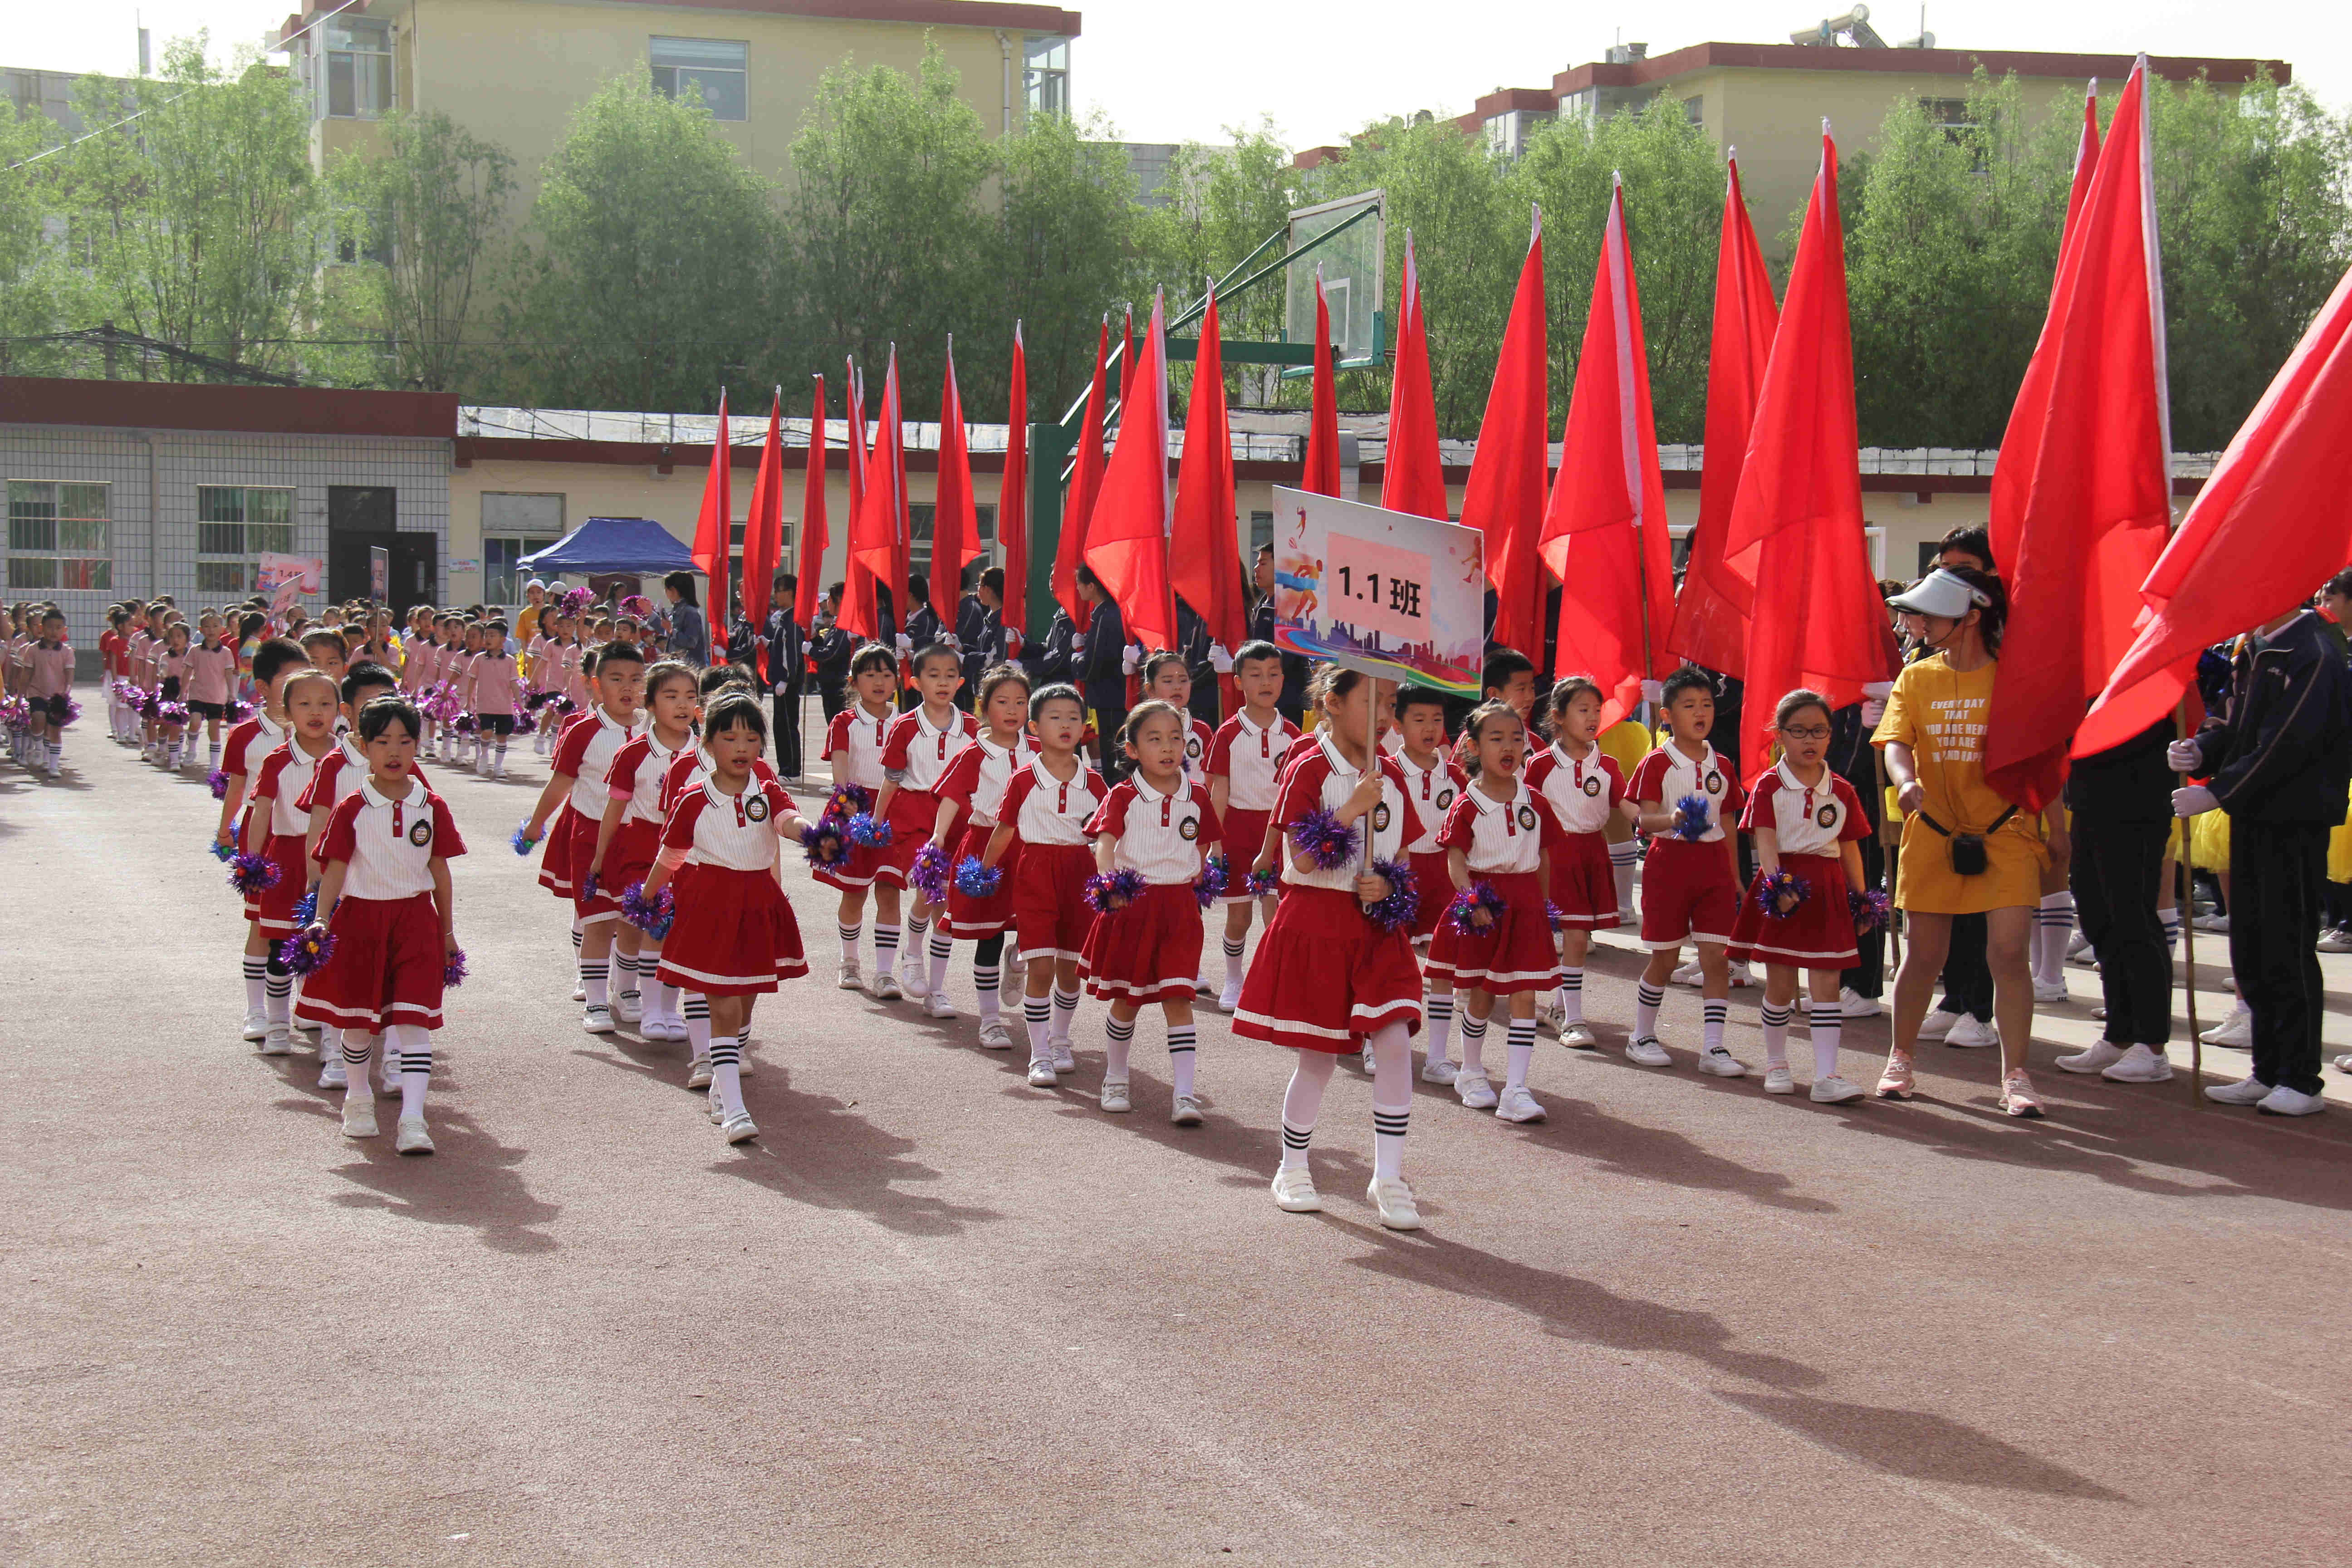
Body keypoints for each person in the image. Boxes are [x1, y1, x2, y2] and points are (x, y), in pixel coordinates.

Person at [1233, 666, 1426, 1230]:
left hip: (1377, 931)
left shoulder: (1392, 771)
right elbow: (1298, 862)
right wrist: (1349, 808)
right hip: (1317, 923)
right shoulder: (1310, 767)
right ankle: (1292, 1167)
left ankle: (1388, 1178)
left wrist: (1389, 883)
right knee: (1318, 1058)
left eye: (1392, 704)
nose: (1386, 717)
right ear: (1333, 704)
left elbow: (1406, 859)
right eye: (1374, 702)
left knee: (1393, 1041)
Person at [1872, 567, 2063, 1119]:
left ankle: (2017, 1076)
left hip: (2007, 832)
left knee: (2007, 953)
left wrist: (2059, 829)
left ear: (1972, 617)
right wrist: (1905, 781)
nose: (1919, 622)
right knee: (1925, 955)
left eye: (1930, 614)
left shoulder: (2014, 679)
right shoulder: (1916, 677)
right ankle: (1900, 1059)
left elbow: (2043, 758)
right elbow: (1895, 743)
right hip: (1933, 831)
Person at [2174, 598, 2352, 1116]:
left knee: (2288, 943)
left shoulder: (2313, 652)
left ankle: (2300, 1079)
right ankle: (2268, 1069)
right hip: (2254, 815)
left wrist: (2218, 790)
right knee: (2252, 942)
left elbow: (2288, 744)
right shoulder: (2257, 647)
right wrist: (2202, 750)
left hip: (2295, 820)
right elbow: (2236, 723)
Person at [294, 693, 465, 1155]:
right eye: (383, 741)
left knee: (413, 1023)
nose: (394, 752)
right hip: (360, 920)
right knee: (358, 1022)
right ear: (363, 747)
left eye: (405, 741)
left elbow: (441, 872)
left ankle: (413, 1120)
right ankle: (359, 1098)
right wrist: (321, 920)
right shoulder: (352, 807)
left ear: (417, 747)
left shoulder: (432, 805)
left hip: (414, 920)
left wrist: (446, 931)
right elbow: (334, 868)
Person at [642, 694, 815, 1145]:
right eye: (730, 736)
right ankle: (735, 1109)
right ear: (708, 744)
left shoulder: (766, 786)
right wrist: (646, 894)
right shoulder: (692, 798)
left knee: (746, 999)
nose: (741, 746)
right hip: (710, 905)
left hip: (758, 902)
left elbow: (787, 818)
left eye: (752, 737)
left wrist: (812, 834)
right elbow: (672, 854)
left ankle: (723, 1084)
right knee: (722, 1001)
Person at [1079, 701, 1223, 1124]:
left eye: (1175, 738)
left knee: (1179, 998)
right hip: (1134, 906)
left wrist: (1198, 870)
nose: (1167, 748)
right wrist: (1110, 885)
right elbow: (1104, 844)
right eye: (1154, 739)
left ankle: (1184, 1095)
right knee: (1128, 1000)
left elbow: (1205, 843)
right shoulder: (1123, 795)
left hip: (1179, 910)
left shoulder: (1196, 794)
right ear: (1133, 749)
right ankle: (1116, 1076)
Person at [1725, 689, 1872, 1102]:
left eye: (1819, 731)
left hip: (1827, 890)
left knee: (1827, 983)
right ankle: (1777, 1064)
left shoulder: (1841, 789)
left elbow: (1849, 847)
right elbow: (1765, 843)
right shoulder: (1770, 785)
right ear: (1780, 736)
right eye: (1799, 731)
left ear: (1831, 736)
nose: (1810, 740)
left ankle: (1827, 1076)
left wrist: (1861, 899)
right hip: (1787, 887)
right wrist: (1779, 888)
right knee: (1781, 983)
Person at [1425, 700, 1562, 1122]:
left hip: (1525, 907)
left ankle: (1517, 1090)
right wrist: (1472, 901)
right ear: (1474, 746)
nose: (1509, 746)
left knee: (1525, 994)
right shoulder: (1467, 804)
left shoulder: (1536, 802)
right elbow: (1455, 859)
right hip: (1483, 904)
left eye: (1517, 738)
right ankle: (1471, 1071)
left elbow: (1544, 857)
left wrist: (1543, 909)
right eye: (1497, 738)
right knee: (1482, 996)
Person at [1626, 667, 1750, 1077]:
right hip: (1670, 864)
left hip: (1713, 866)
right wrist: (1673, 820)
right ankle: (1641, 1035)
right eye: (1689, 705)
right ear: (1667, 715)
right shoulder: (1657, 762)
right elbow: (1643, 820)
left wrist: (1734, 875)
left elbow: (1729, 821)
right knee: (1666, 957)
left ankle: (1713, 1047)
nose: (1701, 713)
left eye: (1708, 705)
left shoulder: (1724, 763)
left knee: (1717, 959)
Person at [519, 640, 646, 1031]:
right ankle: (594, 1002)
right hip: (591, 836)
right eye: (616, 679)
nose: (627, 688)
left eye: (636, 680)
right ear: (595, 684)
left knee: (632, 921)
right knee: (597, 920)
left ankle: (626, 991)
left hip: (639, 838)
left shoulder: (652, 726)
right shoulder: (584, 731)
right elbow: (561, 784)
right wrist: (536, 823)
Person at [983, 683, 1104, 1087]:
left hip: (1081, 876)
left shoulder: (1096, 784)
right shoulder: (1023, 779)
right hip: (1035, 871)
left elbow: (1110, 837)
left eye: (1074, 717)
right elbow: (1003, 831)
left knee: (1070, 971)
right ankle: (1039, 1055)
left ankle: (1061, 1039)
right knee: (1042, 969)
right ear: (1034, 727)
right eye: (1055, 718)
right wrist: (983, 870)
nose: (1066, 725)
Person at [2054, 716, 2180, 1084]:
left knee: (2134, 919)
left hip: (2137, 806)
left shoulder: (2145, 673)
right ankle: (2120, 1033)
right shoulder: (2091, 675)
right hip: (2089, 802)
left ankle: (2152, 1046)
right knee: (2098, 919)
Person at [928, 663, 1036, 1047]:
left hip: (1031, 850)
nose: (1012, 710)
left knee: (1036, 929)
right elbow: (951, 799)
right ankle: (990, 1020)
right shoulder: (974, 754)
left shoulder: (1040, 751)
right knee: (988, 936)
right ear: (984, 707)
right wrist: (939, 837)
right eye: (1003, 701)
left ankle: (1019, 961)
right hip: (987, 847)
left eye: (1020, 702)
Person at [240, 667, 343, 1056]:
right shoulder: (277, 760)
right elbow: (262, 813)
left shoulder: (349, 757)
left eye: (325, 704)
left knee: (330, 947)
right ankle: (278, 1023)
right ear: (287, 711)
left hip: (335, 863)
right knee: (280, 946)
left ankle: (329, 1034)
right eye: (304, 704)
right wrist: (251, 862)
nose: (315, 712)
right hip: (286, 859)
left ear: (339, 710)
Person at [1524, 676, 1628, 1049]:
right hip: (1554, 855)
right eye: (1583, 710)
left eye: (1597, 711)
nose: (1593, 718)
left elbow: (1627, 805)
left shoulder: (1609, 764)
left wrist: (1659, 820)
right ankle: (1574, 1019)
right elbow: (1526, 813)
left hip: (1592, 853)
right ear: (1558, 716)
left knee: (1580, 937)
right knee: (1574, 939)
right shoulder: (1539, 765)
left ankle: (1557, 1007)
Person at [873, 644, 979, 1009]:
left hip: (958, 818)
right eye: (934, 675)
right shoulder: (905, 726)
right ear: (916, 682)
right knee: (928, 889)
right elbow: (891, 778)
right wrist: (876, 820)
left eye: (951, 675)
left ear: (961, 681)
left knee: (945, 904)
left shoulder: (973, 728)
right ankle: (913, 951)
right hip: (913, 815)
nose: (943, 682)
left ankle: (937, 989)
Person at [1205, 642, 1301, 1012]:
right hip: (1238, 829)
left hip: (1278, 830)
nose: (1266, 682)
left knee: (1276, 910)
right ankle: (1233, 978)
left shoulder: (1292, 734)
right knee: (1240, 914)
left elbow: (1295, 791)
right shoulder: (1228, 734)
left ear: (1283, 680)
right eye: (1256, 675)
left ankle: (1273, 980)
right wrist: (1215, 843)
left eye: (1273, 674)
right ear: (1238, 681)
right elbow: (1220, 791)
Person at [819, 644, 911, 996]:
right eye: (870, 674)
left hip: (894, 812)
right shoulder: (844, 722)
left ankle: (886, 973)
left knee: (890, 893)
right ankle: (850, 963)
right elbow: (841, 773)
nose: (879, 682)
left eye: (887, 675)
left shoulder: (907, 721)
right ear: (854, 681)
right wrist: (852, 808)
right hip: (854, 810)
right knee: (854, 892)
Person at [1072, 566, 1129, 779]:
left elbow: (1092, 664)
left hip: (1111, 697)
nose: (1077, 589)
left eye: (1080, 584)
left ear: (1092, 586)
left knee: (1113, 759)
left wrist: (1075, 659)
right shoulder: (1105, 613)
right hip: (1110, 696)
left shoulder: (1106, 615)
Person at [763, 572, 806, 776]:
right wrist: (769, 644)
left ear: (789, 593)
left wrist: (787, 680)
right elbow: (782, 648)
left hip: (787, 683)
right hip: (780, 682)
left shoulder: (793, 620)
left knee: (788, 727)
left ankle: (792, 770)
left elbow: (793, 654)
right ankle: (785, 768)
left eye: (778, 592)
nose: (775, 596)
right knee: (780, 726)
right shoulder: (784, 618)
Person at [810, 584, 854, 723]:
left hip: (838, 684)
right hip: (829, 682)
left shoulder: (845, 624)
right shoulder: (837, 623)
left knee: (838, 725)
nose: (828, 603)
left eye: (830, 599)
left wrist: (811, 650)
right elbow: (827, 647)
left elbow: (832, 653)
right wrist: (815, 639)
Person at [663, 571, 708, 667]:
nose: (666, 593)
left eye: (666, 590)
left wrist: (671, 631)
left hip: (690, 668)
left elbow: (691, 642)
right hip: (679, 666)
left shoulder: (690, 612)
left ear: (674, 590)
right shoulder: (677, 610)